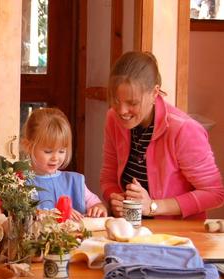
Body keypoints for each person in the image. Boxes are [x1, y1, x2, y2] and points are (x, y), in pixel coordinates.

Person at [100, 51, 224, 220]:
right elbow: (108, 177)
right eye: (115, 100)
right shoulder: (113, 119)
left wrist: (152, 206)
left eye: (132, 103)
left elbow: (215, 194)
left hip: (177, 236)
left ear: (154, 93)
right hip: (130, 228)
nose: (121, 111)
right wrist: (115, 197)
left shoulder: (184, 130)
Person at [20, 107, 107, 220]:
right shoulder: (20, 182)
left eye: (62, 151)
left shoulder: (74, 181)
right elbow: (19, 216)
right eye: (48, 151)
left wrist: (98, 208)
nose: (55, 158)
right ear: (28, 146)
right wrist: (53, 214)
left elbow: (95, 204)